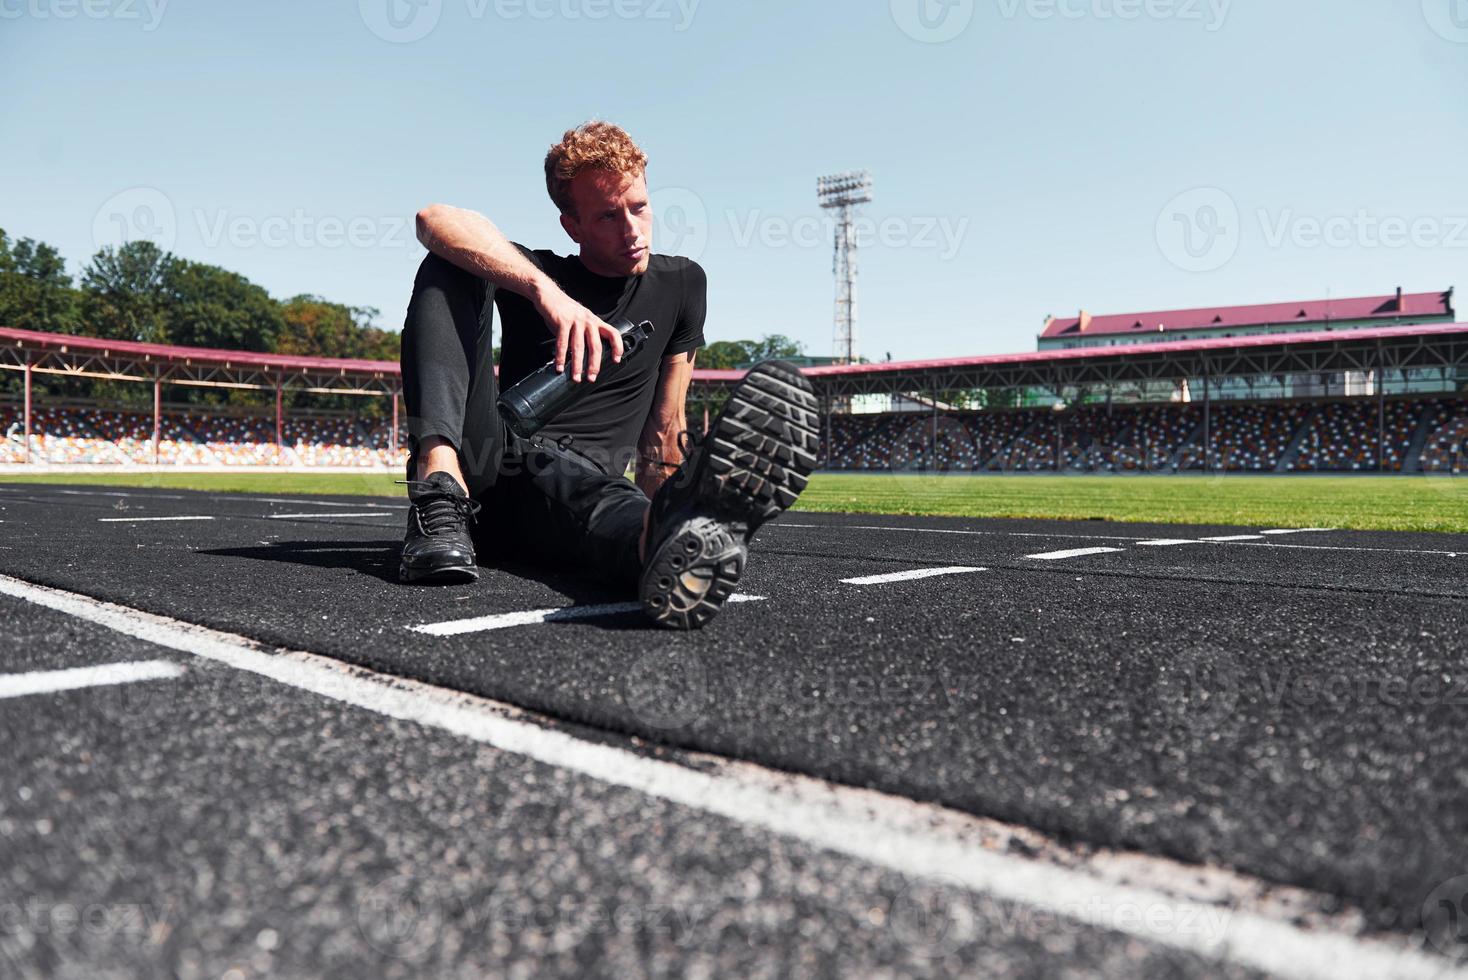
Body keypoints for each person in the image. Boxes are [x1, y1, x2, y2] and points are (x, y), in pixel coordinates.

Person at [397, 120, 819, 629]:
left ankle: (666, 541)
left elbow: (664, 428)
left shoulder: (683, 284)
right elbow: (434, 217)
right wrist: (543, 291)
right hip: (489, 469)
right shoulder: (540, 273)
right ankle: (438, 489)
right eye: (607, 217)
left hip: (577, 495)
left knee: (601, 497)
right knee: (450, 263)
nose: (631, 231)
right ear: (572, 226)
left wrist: (669, 500)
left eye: (639, 207)